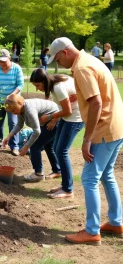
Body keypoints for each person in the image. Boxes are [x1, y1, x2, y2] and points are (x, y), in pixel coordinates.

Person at [47, 37, 123, 245]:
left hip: (105, 129)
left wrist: (87, 139)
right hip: (117, 126)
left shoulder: (81, 67)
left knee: (89, 178)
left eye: (57, 59)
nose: (58, 64)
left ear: (64, 53)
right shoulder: (89, 60)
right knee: (106, 174)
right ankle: (116, 223)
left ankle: (91, 231)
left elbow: (96, 103)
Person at [30, 68, 84, 198]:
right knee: (56, 147)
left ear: (44, 81)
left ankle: (68, 189)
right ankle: (64, 184)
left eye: (38, 85)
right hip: (68, 117)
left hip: (75, 118)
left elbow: (68, 111)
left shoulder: (58, 87)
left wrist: (49, 117)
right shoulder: (58, 82)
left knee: (61, 151)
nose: (37, 89)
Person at [2, 94, 61, 181]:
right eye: (11, 111)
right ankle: (57, 171)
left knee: (34, 146)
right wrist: (8, 137)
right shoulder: (21, 109)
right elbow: (19, 125)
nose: (13, 113)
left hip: (53, 122)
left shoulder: (29, 110)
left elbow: (37, 131)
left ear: (20, 103)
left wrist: (26, 146)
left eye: (14, 110)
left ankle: (38, 174)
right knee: (48, 147)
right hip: (47, 123)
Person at [0, 49, 24, 156]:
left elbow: (20, 85)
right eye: (0, 61)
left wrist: (11, 95)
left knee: (13, 123)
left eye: (4, 61)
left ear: (9, 58)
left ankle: (14, 146)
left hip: (13, 102)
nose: (2, 64)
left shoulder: (16, 68)